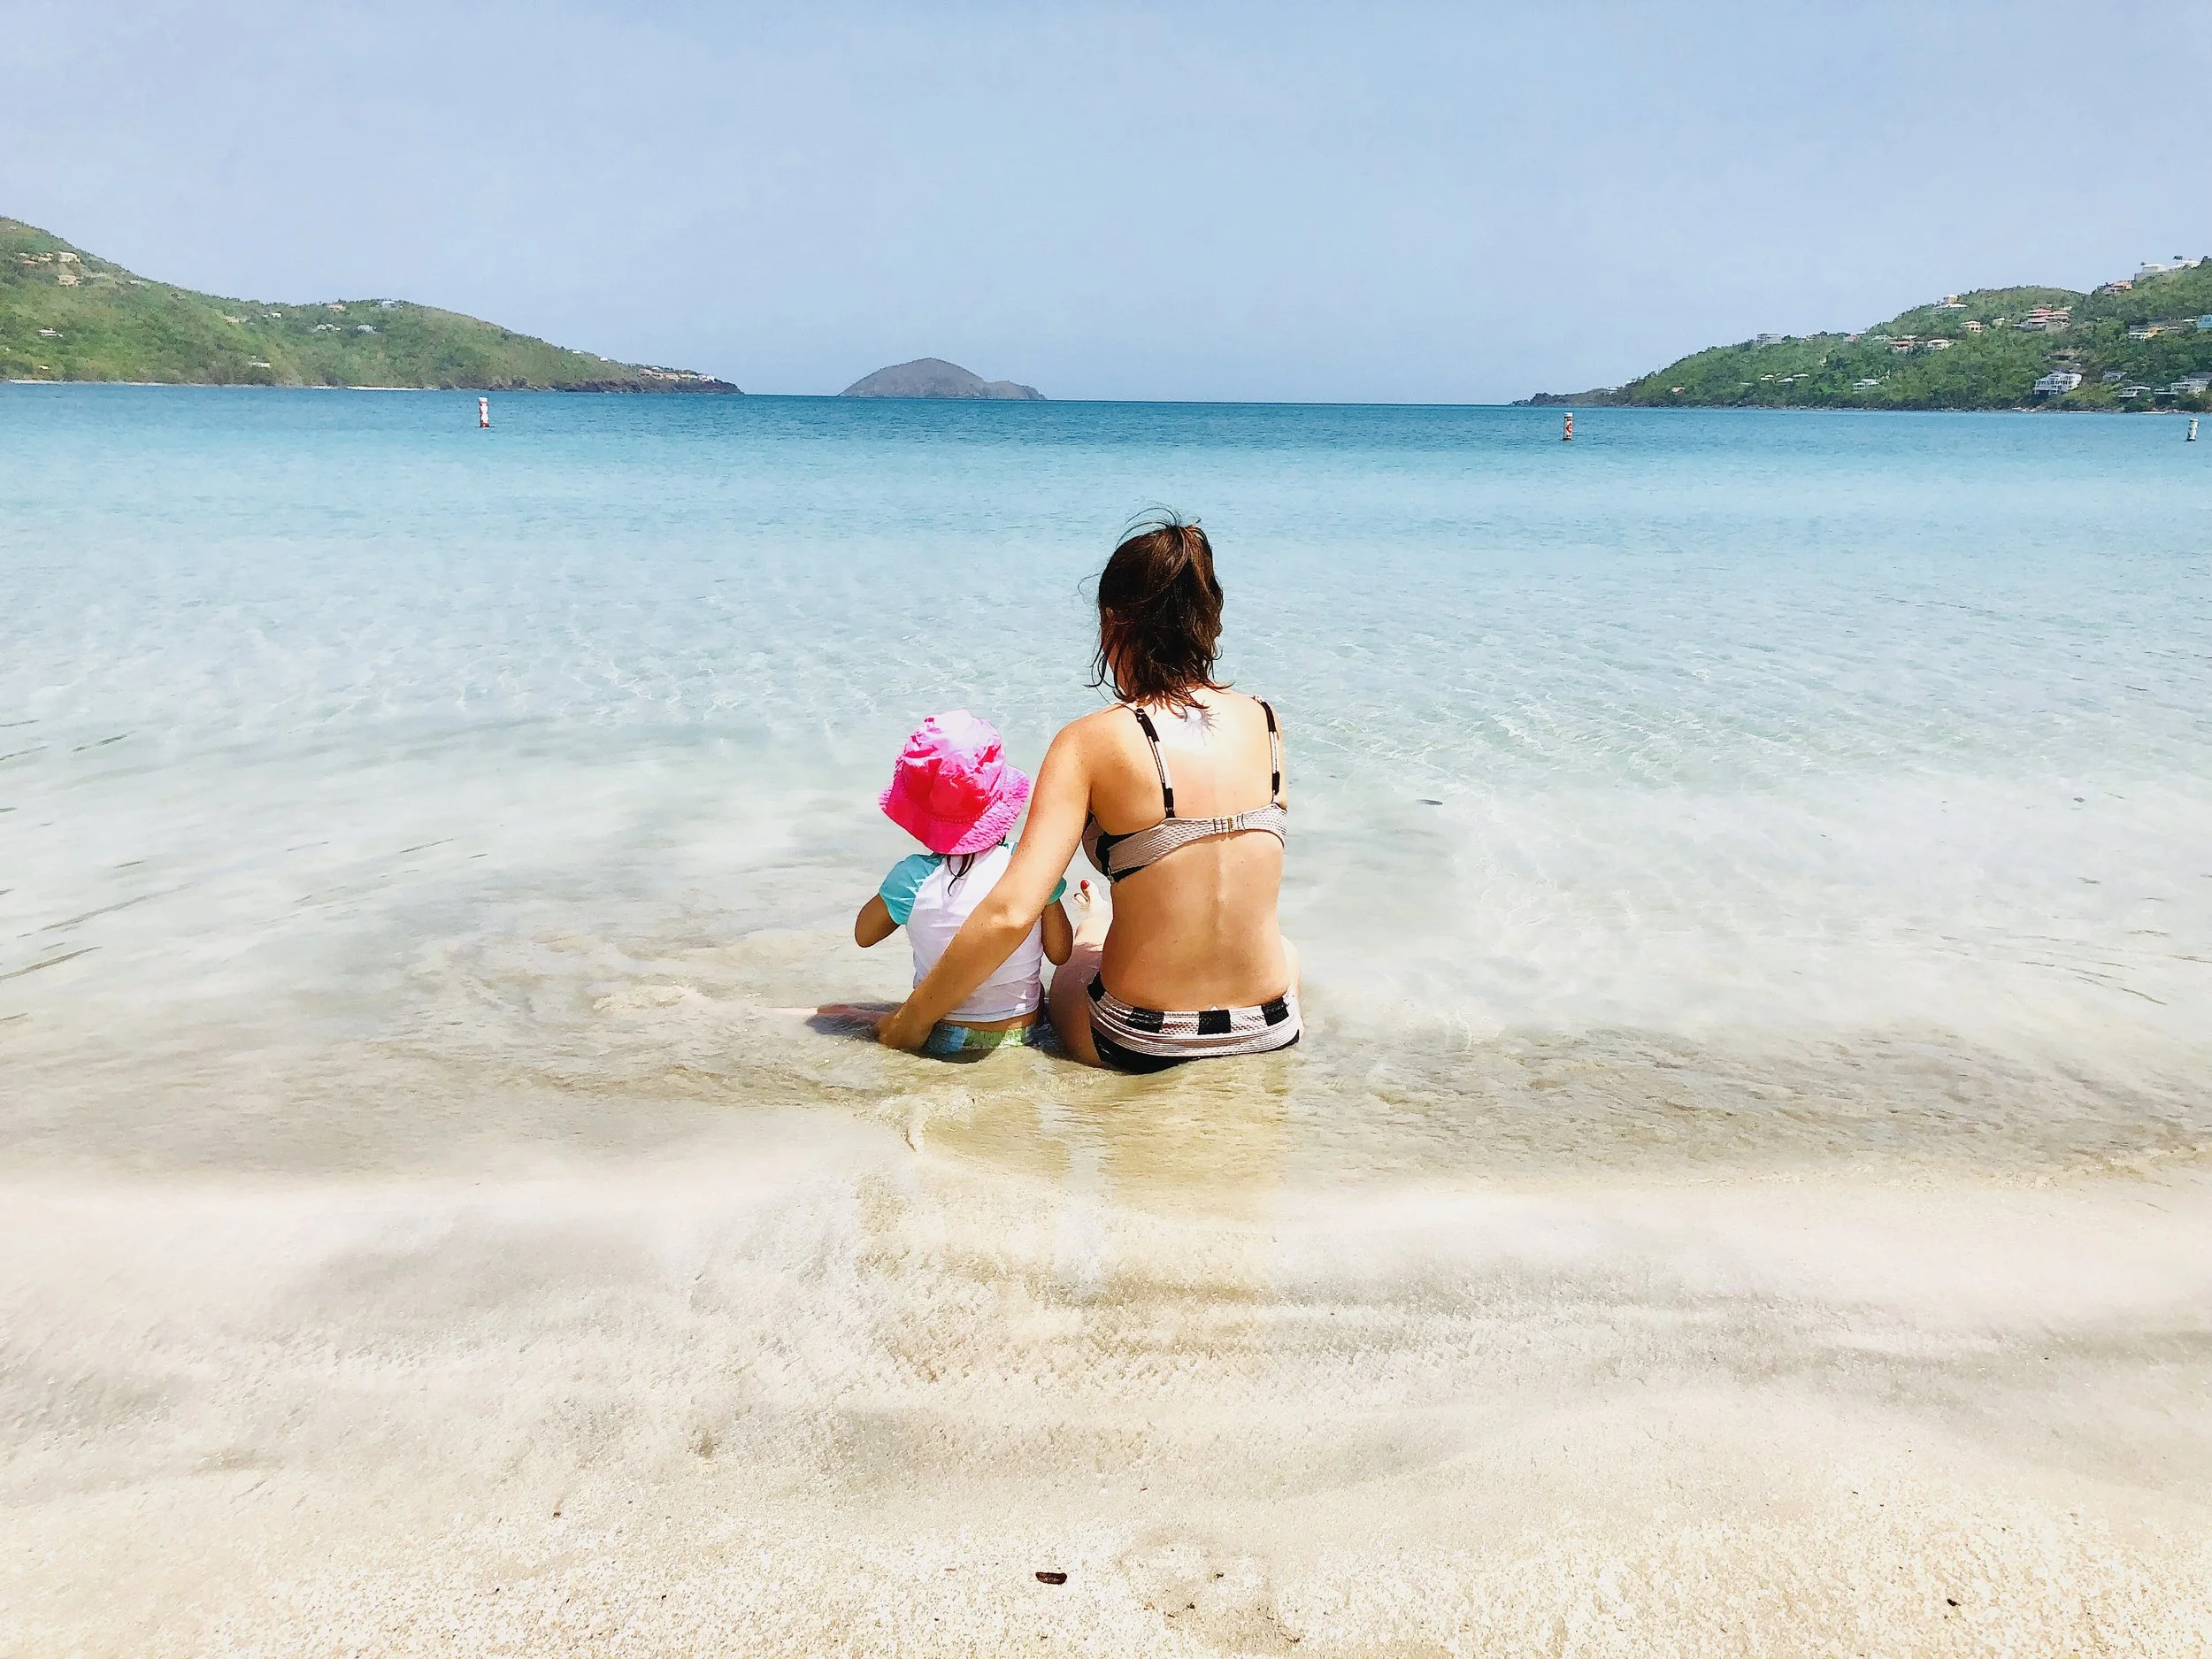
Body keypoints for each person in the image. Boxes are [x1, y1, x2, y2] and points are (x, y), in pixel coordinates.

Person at [875, 518, 1299, 1070]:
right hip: (1270, 1027)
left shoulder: (1090, 740)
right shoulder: (1266, 721)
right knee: (1285, 948)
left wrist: (912, 1020)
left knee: (1077, 961)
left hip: (1142, 1041)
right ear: (1209, 616)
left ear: (1112, 621)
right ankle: (1096, 917)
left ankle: (1094, 921)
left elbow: (1010, 912)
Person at [852, 710, 1072, 1060]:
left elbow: (864, 935)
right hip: (1024, 1031)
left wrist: (896, 895)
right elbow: (1060, 953)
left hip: (944, 1034)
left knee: (846, 1016)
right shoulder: (1027, 867)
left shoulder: (912, 877)